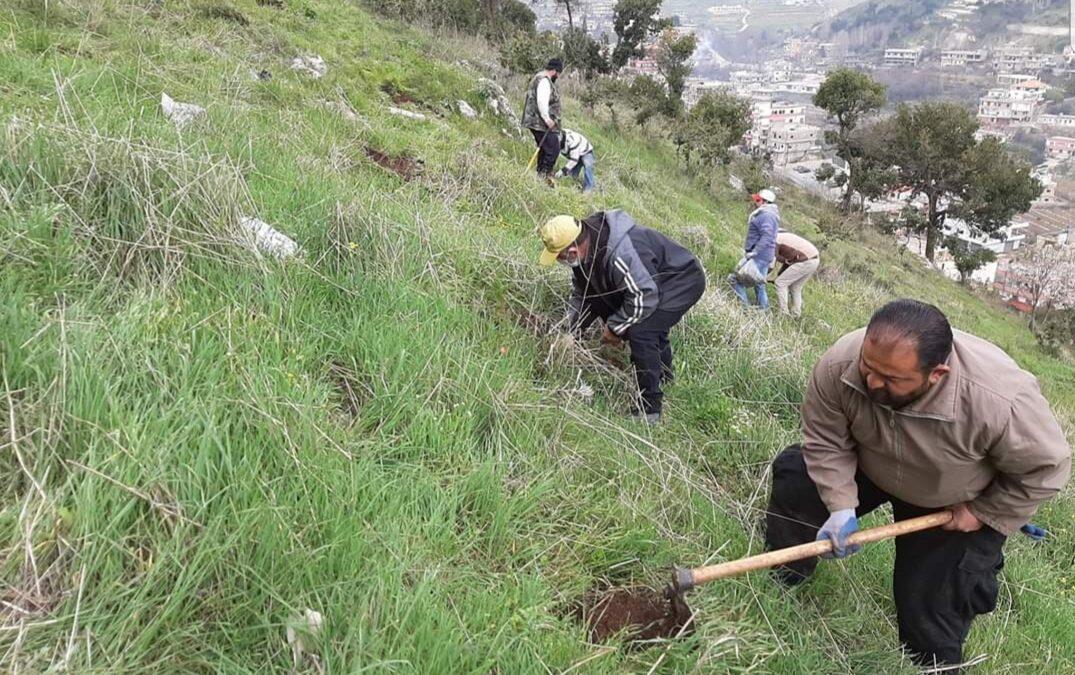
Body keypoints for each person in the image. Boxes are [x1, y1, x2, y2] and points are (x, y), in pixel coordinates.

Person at [764, 299, 1071, 671]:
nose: (873, 381)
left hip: (953, 500)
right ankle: (780, 582)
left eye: (892, 379)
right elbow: (826, 440)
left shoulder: (999, 401)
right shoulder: (840, 364)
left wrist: (984, 512)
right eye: (869, 366)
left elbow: (1047, 467)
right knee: (798, 479)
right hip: (872, 462)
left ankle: (931, 665)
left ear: (936, 374)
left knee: (931, 603)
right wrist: (840, 504)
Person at [537, 211, 706, 424]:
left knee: (642, 331)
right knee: (638, 320)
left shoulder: (619, 253)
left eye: (559, 256)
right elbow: (586, 294)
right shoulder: (585, 254)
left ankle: (649, 410)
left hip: (682, 279)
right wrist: (571, 331)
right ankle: (664, 375)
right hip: (650, 281)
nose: (559, 262)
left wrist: (615, 327)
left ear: (572, 251)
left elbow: (644, 296)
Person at [731, 189, 779, 310]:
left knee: (736, 280)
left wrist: (755, 251)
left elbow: (767, 235)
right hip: (765, 255)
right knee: (759, 284)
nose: (756, 202)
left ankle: (744, 309)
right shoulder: (769, 214)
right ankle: (764, 310)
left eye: (758, 200)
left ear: (764, 202)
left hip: (759, 256)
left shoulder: (766, 216)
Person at [521, 58, 564, 185]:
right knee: (553, 148)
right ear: (555, 71)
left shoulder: (540, 77)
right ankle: (544, 176)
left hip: (537, 122)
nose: (559, 76)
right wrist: (547, 119)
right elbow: (541, 101)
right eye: (559, 73)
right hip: (539, 123)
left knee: (545, 149)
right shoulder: (544, 81)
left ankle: (540, 177)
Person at [774, 229, 819, 318]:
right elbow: (788, 262)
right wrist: (780, 272)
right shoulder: (788, 238)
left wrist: (765, 276)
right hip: (815, 259)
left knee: (780, 283)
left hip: (806, 260)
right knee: (795, 287)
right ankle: (796, 314)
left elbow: (775, 257)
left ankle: (783, 313)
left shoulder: (776, 239)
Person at [554, 128, 596, 193]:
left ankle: (589, 189)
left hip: (585, 151)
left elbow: (573, 160)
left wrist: (562, 171)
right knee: (572, 175)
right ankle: (572, 183)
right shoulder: (557, 135)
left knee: (588, 167)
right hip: (574, 154)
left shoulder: (572, 141)